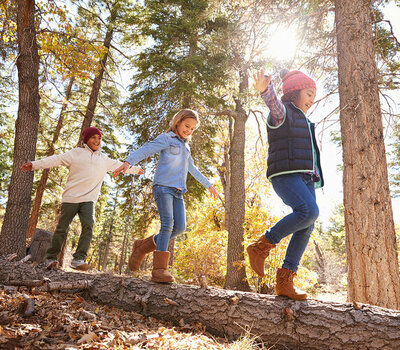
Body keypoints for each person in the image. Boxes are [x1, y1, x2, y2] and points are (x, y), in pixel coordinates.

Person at [113, 109, 219, 283]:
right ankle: (159, 269)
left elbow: (192, 169)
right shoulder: (166, 139)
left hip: (178, 191)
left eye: (192, 128)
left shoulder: (186, 147)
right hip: (163, 187)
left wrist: (208, 185)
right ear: (177, 122)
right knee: (168, 224)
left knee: (180, 228)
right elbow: (146, 149)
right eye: (187, 126)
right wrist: (128, 162)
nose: (189, 131)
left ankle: (142, 246)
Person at [247, 69, 324, 300]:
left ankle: (285, 281)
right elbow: (273, 104)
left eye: (314, 96)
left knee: (307, 224)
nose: (312, 100)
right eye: (309, 94)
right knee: (309, 211)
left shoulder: (305, 120)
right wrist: (265, 90)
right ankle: (261, 246)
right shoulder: (284, 113)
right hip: (285, 174)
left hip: (306, 177)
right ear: (293, 93)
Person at [21, 127, 143, 271]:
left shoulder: (104, 159)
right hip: (71, 198)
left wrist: (136, 169)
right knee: (62, 228)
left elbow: (120, 166)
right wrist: (34, 164)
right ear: (86, 139)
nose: (97, 141)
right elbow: (55, 159)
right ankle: (51, 258)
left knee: (89, 224)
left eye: (99, 138)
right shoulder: (75, 154)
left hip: (89, 199)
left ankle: (78, 259)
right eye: (93, 138)